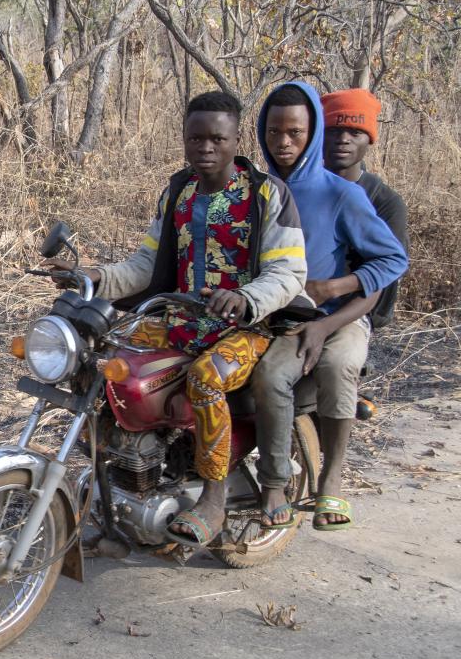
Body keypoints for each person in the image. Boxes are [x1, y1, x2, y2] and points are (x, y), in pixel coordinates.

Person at [46, 91, 307, 545]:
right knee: (98, 353)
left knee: (205, 378)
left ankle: (214, 496)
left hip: (246, 328)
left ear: (235, 139)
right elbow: (145, 265)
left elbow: (288, 271)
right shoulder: (179, 192)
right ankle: (115, 480)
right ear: (184, 140)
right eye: (196, 139)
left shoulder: (267, 193)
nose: (206, 148)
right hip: (182, 318)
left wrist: (245, 298)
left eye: (216, 139)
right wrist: (93, 275)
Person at [251, 83, 408, 531]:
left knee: (339, 366)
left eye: (295, 133)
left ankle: (332, 478)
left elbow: (392, 260)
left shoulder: (342, 194)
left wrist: (334, 289)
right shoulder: (258, 189)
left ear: (310, 133)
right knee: (266, 376)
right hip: (283, 318)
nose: (283, 142)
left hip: (339, 318)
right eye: (274, 131)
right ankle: (273, 481)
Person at [321, 88, 409, 330]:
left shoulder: (385, 201)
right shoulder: (299, 189)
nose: (343, 139)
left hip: (355, 310)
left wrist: (369, 319)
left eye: (356, 132)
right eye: (334, 131)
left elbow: (389, 271)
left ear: (369, 139)